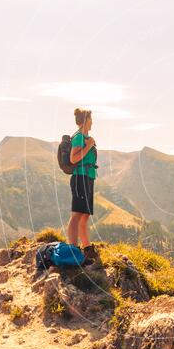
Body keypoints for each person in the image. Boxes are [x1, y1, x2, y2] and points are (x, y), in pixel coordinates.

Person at [66, 108, 98, 262]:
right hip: (80, 178)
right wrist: (89, 145)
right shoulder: (79, 137)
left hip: (88, 178)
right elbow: (73, 159)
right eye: (91, 119)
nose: (92, 122)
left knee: (84, 215)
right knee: (77, 214)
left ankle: (87, 248)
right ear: (86, 121)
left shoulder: (85, 137)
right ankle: (72, 249)